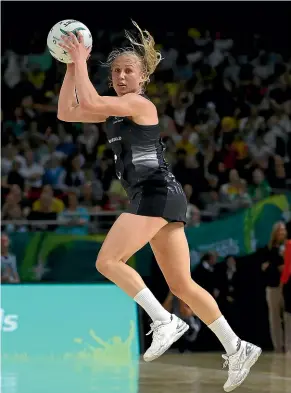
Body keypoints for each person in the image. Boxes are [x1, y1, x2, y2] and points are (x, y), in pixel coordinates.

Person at [57, 21, 261, 391]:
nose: (120, 76)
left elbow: (86, 101)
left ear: (143, 76)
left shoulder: (138, 103)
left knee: (107, 261)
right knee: (182, 284)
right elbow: (68, 112)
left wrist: (80, 58)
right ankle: (237, 346)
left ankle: (164, 321)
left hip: (155, 192)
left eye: (128, 70)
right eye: (116, 71)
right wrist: (72, 67)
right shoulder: (114, 109)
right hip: (160, 195)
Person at [261, 221, 287, 353]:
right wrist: (276, 267)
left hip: (287, 287)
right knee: (275, 318)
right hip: (273, 287)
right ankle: (278, 346)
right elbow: (264, 268)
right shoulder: (268, 249)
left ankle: (288, 346)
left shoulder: (288, 247)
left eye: (283, 230)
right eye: (279, 230)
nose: (282, 232)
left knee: (287, 317)